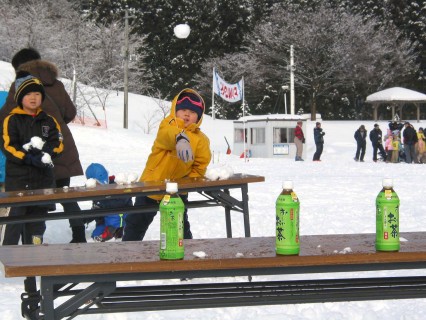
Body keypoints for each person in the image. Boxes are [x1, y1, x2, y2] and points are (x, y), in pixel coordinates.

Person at [0, 48, 85, 243]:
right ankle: (79, 236)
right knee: (66, 196)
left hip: (35, 154)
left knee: (28, 202)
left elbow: (6, 116)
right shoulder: (56, 83)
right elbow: (70, 112)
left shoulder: (21, 86)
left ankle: (29, 244)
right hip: (61, 148)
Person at [122, 89, 211, 241]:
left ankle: (186, 255)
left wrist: (188, 182)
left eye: (192, 112)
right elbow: (166, 136)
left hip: (177, 191)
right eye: (183, 110)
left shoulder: (201, 139)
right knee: (136, 224)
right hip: (151, 186)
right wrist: (180, 138)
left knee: (180, 227)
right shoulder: (168, 124)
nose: (187, 114)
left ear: (199, 116)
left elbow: (200, 164)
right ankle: (127, 254)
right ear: (175, 111)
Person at [0, 71, 63, 245]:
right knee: (15, 222)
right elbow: (8, 146)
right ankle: (8, 257)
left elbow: (58, 142)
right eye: (28, 94)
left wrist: (46, 154)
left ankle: (34, 256)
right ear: (20, 97)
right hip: (19, 181)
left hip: (43, 181)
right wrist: (28, 158)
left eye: (37, 94)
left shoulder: (49, 120)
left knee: (37, 225)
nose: (33, 98)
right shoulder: (11, 120)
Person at [85, 163, 132, 242]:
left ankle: (115, 231)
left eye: (98, 183)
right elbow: (97, 208)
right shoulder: (94, 191)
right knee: (95, 236)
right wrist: (87, 218)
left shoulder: (117, 186)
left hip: (119, 219)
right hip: (104, 221)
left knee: (114, 216)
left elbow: (124, 203)